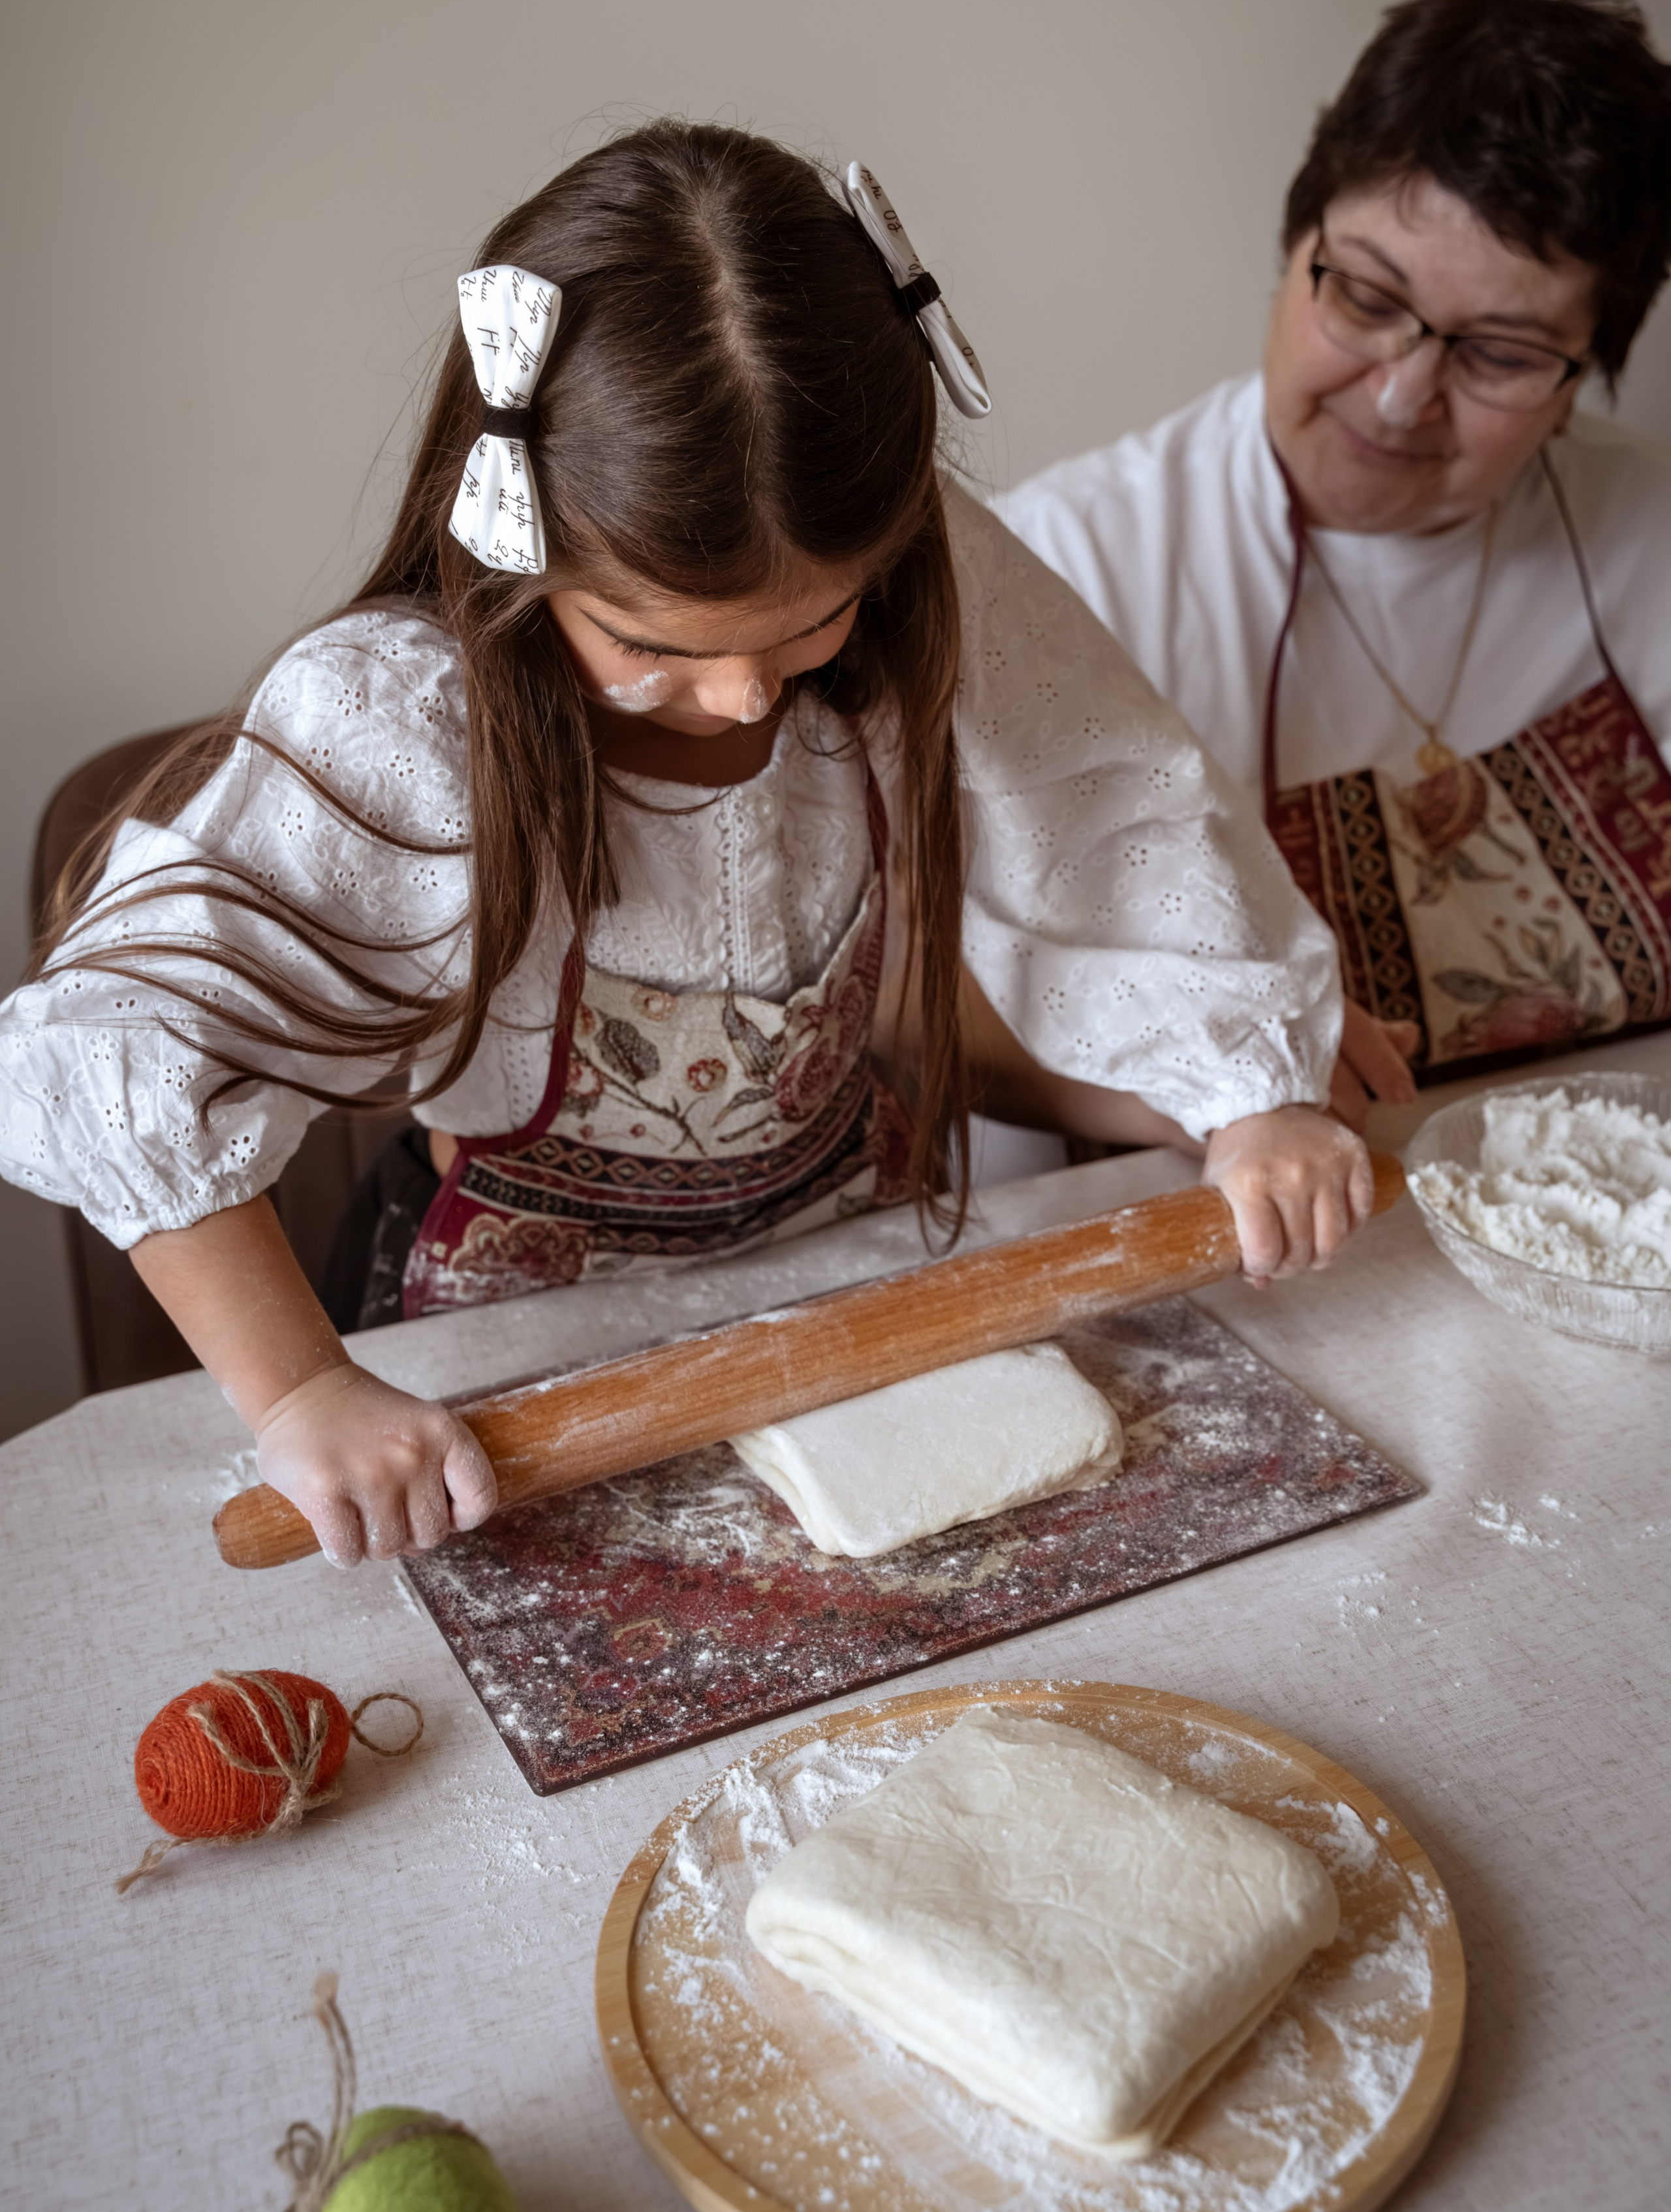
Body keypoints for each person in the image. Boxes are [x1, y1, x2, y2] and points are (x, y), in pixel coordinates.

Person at [0, 123, 1366, 1569]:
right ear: (521, 543)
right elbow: (120, 1050)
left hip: (856, 1285)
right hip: (523, 1351)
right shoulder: (406, 721)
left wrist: (1245, 1087)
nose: (744, 696)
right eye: (650, 643)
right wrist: (300, 1390)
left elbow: (1118, 808)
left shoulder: (927, 585)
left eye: (809, 625)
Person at [1000, 0, 1671, 1122]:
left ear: (1584, 378)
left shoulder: (1652, 532)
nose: (1403, 395)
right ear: (1293, 242)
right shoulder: (1066, 566)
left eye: (1502, 355)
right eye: (1365, 297)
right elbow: (980, 1021)